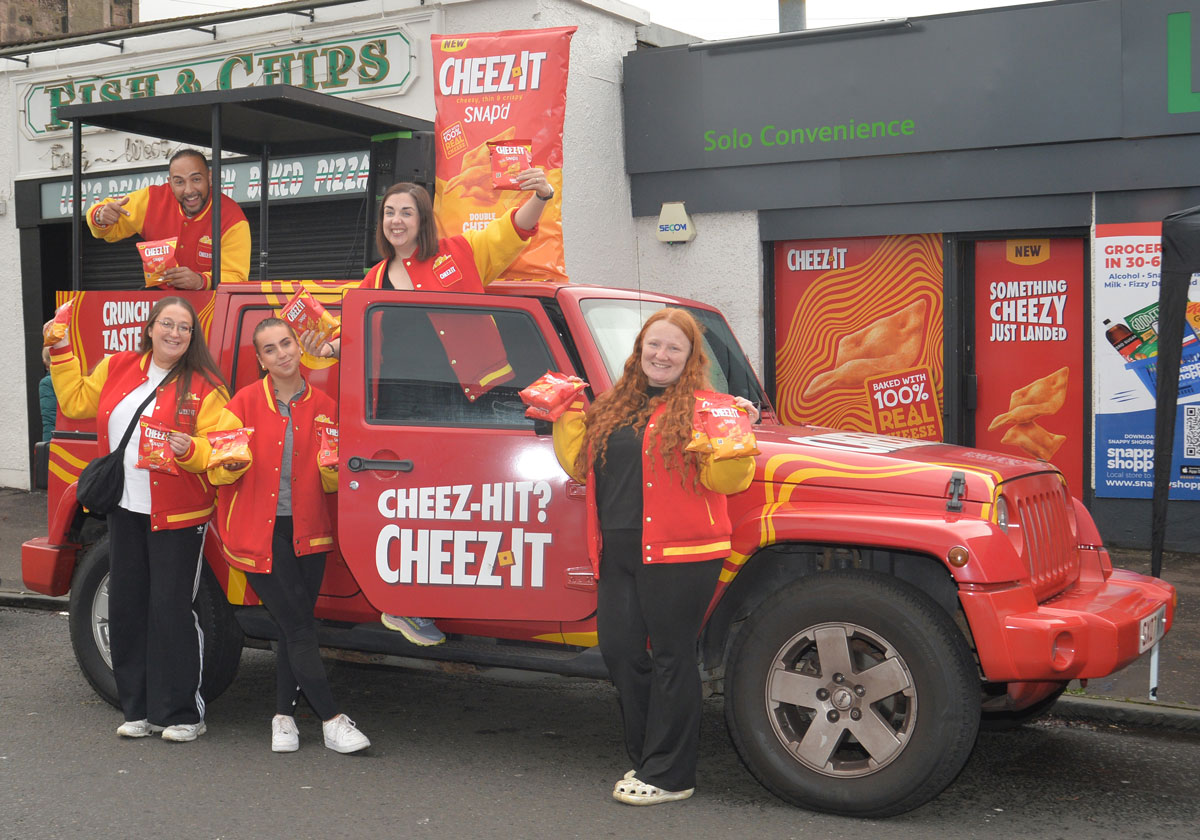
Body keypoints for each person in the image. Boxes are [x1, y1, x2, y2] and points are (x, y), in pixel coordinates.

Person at [301, 170, 555, 645]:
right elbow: (350, 345)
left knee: (478, 502)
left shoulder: (460, 252)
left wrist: (542, 194)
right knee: (415, 507)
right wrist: (323, 346)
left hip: (475, 398)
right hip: (402, 406)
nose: (396, 221)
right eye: (389, 213)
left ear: (424, 220)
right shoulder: (373, 279)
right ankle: (403, 605)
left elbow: (513, 229)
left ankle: (487, 596)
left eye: (406, 212)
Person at [550, 308, 757, 806]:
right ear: (639, 351)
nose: (661, 356)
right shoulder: (613, 406)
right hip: (619, 549)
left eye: (673, 348)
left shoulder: (711, 407)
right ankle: (649, 755)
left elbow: (728, 481)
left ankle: (670, 775)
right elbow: (581, 468)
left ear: (689, 358)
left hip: (683, 552)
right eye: (653, 346)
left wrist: (732, 446)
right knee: (620, 650)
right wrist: (563, 415)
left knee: (671, 655)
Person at [48, 296, 229, 742]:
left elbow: (226, 449)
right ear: (150, 328)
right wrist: (60, 350)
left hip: (180, 516)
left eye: (184, 328)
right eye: (167, 324)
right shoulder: (118, 367)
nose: (174, 333)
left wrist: (195, 452)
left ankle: (185, 713)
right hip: (125, 510)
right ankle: (139, 709)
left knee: (172, 611)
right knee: (127, 608)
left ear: (193, 337)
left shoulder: (205, 386)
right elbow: (74, 399)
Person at [199, 318, 370, 754]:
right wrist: (228, 466)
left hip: (309, 532)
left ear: (299, 346)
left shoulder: (328, 405)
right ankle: (332, 720)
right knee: (297, 623)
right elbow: (218, 466)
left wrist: (333, 472)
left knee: (294, 626)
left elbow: (333, 483)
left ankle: (283, 718)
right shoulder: (242, 403)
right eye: (270, 349)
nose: (282, 354)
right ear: (260, 360)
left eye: (286, 343)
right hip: (258, 532)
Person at [86, 148, 251, 288]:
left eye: (196, 179)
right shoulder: (152, 199)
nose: (189, 190)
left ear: (210, 178)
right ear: (170, 183)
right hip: (160, 302)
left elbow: (236, 277)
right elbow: (108, 223)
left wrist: (201, 281)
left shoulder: (232, 218)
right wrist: (100, 216)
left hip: (209, 308)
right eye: (179, 182)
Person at [39, 347, 56, 442]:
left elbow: (50, 419)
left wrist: (48, 446)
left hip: (57, 440)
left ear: (45, 362)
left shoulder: (47, 383)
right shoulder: (74, 377)